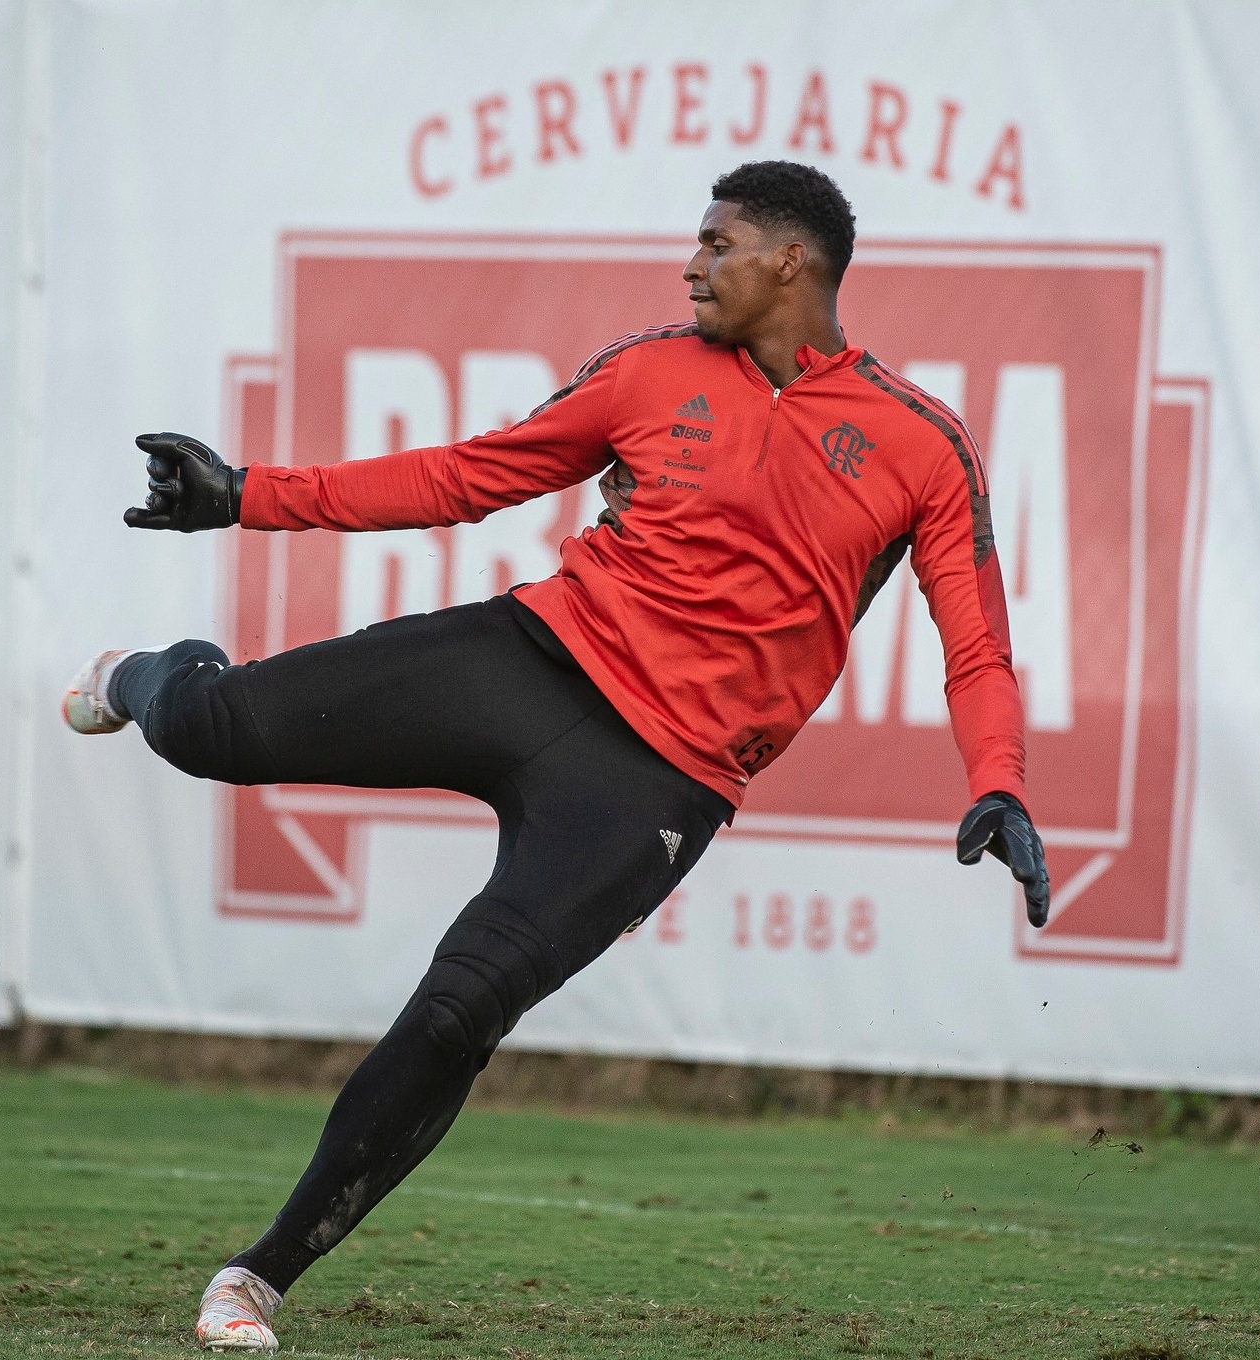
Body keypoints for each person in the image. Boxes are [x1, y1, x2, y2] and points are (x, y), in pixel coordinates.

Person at [61, 159, 1050, 1353]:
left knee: (456, 1013)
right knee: (206, 727)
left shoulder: (921, 445)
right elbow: (466, 476)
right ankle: (138, 673)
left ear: (792, 261)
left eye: (715, 241)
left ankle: (255, 1278)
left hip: (653, 784)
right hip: (526, 661)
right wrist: (245, 497)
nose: (690, 264)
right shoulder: (650, 370)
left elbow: (976, 644)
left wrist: (997, 781)